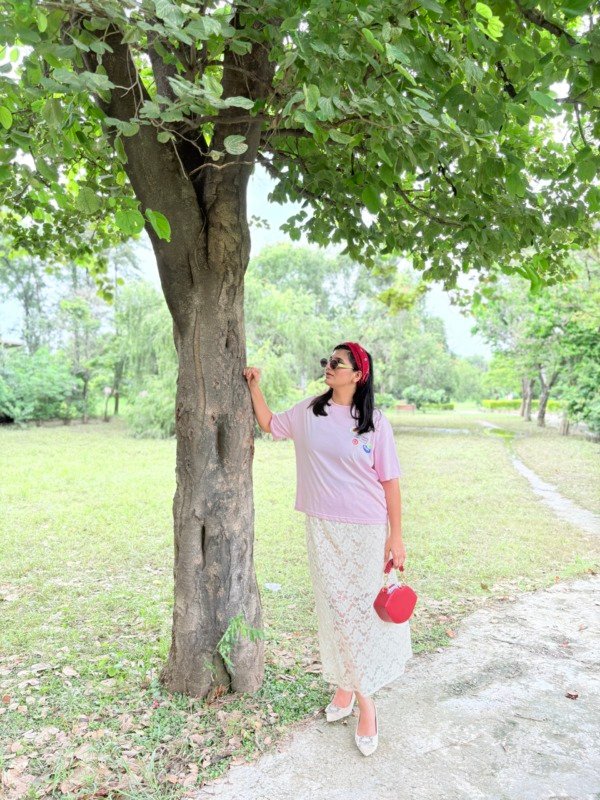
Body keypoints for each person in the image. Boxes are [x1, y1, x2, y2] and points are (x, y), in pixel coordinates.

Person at [243, 341, 413, 756]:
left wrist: (396, 536)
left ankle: (365, 702)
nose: (329, 367)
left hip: (367, 530)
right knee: (334, 607)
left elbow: (390, 481)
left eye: (337, 363)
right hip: (322, 528)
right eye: (327, 361)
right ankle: (344, 686)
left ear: (358, 374)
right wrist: (254, 385)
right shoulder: (309, 412)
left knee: (359, 610)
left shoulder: (375, 422)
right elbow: (268, 424)